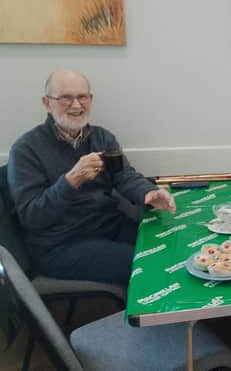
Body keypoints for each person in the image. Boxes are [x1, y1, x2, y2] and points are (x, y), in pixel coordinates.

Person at [7, 70, 176, 287]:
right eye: (66, 98)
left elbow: (124, 175)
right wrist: (71, 181)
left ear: (91, 100)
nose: (76, 106)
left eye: (82, 97)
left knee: (171, 247)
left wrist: (147, 192)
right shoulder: (26, 149)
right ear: (47, 103)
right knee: (151, 264)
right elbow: (32, 216)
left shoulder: (102, 138)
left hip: (108, 226)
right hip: (61, 244)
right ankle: (156, 319)